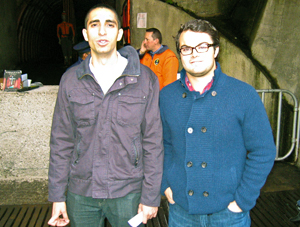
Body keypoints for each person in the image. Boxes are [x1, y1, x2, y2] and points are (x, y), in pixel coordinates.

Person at [48, 4, 163, 227]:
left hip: (128, 192)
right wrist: (57, 195)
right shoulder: (71, 80)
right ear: (85, 33)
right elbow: (61, 141)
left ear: (119, 34)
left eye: (109, 25)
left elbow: (153, 141)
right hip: (81, 194)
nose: (102, 32)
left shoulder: (144, 79)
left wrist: (150, 196)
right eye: (94, 25)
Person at [159, 19, 276, 227]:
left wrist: (242, 201)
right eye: (186, 48)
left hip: (229, 214)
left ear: (215, 51)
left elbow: (263, 151)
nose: (194, 53)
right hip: (181, 211)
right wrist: (165, 184)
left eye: (202, 46)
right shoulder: (166, 96)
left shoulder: (243, 94)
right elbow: (161, 145)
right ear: (180, 53)